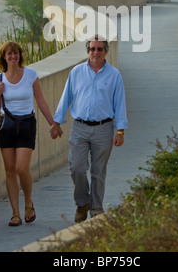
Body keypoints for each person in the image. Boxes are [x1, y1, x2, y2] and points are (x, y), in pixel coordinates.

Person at [50, 35, 128, 223]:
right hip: (80, 128)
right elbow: (66, 97)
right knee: (76, 167)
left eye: (100, 49)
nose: (96, 52)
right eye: (92, 49)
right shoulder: (76, 72)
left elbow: (120, 104)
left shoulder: (114, 75)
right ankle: (82, 202)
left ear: (106, 52)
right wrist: (57, 122)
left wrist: (120, 131)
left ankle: (96, 208)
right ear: (88, 51)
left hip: (104, 128)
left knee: (98, 171)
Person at [0, 41, 63, 227]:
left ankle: (28, 203)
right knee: (10, 170)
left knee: (22, 168)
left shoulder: (30, 75)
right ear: (4, 57)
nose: (13, 57)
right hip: (6, 125)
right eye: (9, 54)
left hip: (26, 124)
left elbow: (41, 101)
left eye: (16, 53)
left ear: (20, 56)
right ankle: (15, 214)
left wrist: (53, 124)